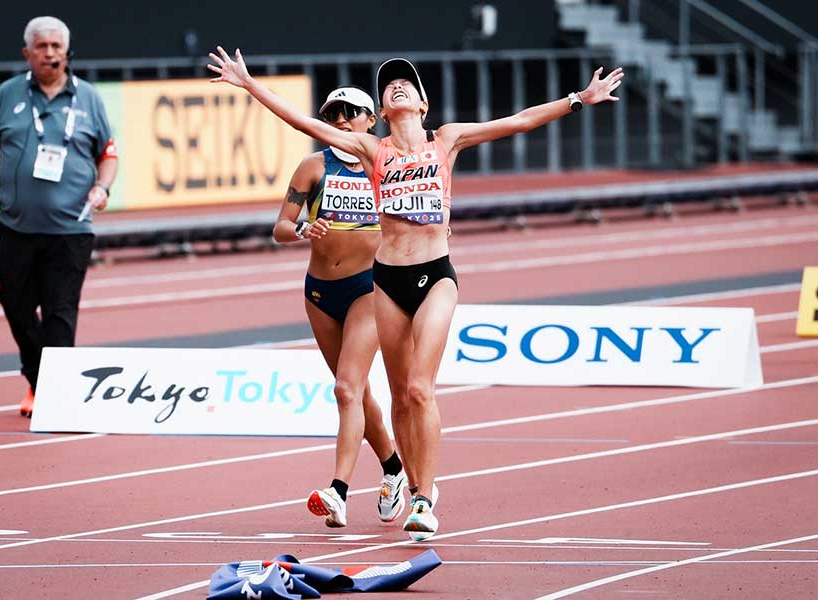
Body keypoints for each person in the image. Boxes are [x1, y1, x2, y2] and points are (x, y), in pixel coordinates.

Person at [208, 47, 622, 540]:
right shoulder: (372, 151)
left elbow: (518, 121)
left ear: (423, 104)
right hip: (387, 282)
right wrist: (250, 85)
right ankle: (403, 476)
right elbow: (305, 124)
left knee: (421, 388)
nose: (398, 87)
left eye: (408, 83)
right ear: (382, 112)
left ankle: (425, 496)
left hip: (436, 275)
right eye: (389, 86)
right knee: (401, 399)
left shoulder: (446, 140)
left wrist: (579, 98)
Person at [0, 16, 118, 418]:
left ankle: (54, 395)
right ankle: (39, 377)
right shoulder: (8, 94)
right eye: (41, 47)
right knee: (14, 302)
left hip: (70, 229)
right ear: (27, 53)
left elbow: (109, 155)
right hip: (16, 227)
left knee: (60, 310)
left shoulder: (89, 98)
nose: (49, 54)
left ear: (67, 52)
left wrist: (102, 187)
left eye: (56, 47)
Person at [273, 86, 406, 528]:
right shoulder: (314, 167)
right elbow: (280, 228)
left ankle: (338, 491)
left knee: (346, 389)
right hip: (319, 293)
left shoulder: (386, 168)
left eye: (352, 114)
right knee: (357, 393)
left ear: (373, 121)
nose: (342, 122)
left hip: (367, 289)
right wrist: (304, 228)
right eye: (333, 115)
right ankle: (392, 469)